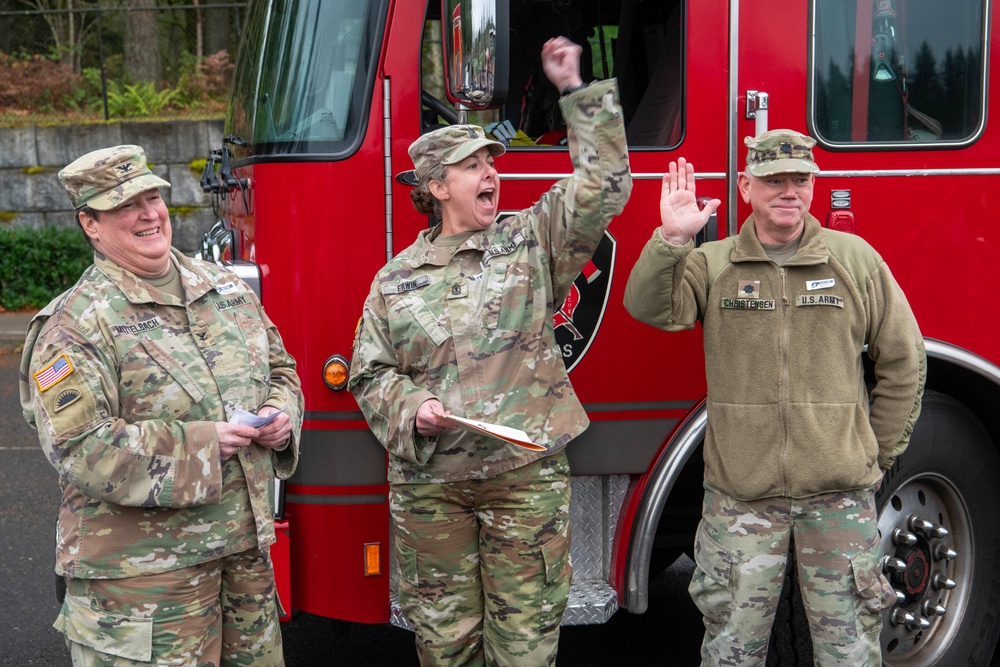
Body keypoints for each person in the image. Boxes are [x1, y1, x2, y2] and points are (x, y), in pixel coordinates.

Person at [349, 37, 631, 667]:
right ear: (436, 186)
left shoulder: (531, 240)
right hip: (432, 490)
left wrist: (572, 90)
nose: (492, 175)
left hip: (521, 481)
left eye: (492, 163)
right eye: (475, 166)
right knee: (445, 649)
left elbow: (605, 186)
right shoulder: (395, 279)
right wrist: (412, 405)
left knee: (526, 648)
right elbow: (369, 374)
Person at [623, 130, 925, 666]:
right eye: (773, 180)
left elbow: (904, 358)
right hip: (741, 499)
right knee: (731, 651)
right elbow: (651, 309)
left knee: (850, 651)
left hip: (838, 500)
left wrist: (876, 453)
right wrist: (671, 239)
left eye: (800, 179)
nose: (789, 192)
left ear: (814, 184)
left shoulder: (853, 260)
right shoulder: (714, 264)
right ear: (745, 187)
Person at [19, 144, 303, 666]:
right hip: (142, 587)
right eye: (127, 204)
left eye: (153, 196)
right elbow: (82, 448)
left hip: (243, 564)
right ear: (91, 223)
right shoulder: (73, 325)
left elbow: (282, 370)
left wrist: (282, 418)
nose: (149, 213)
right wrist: (204, 444)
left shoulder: (224, 289)